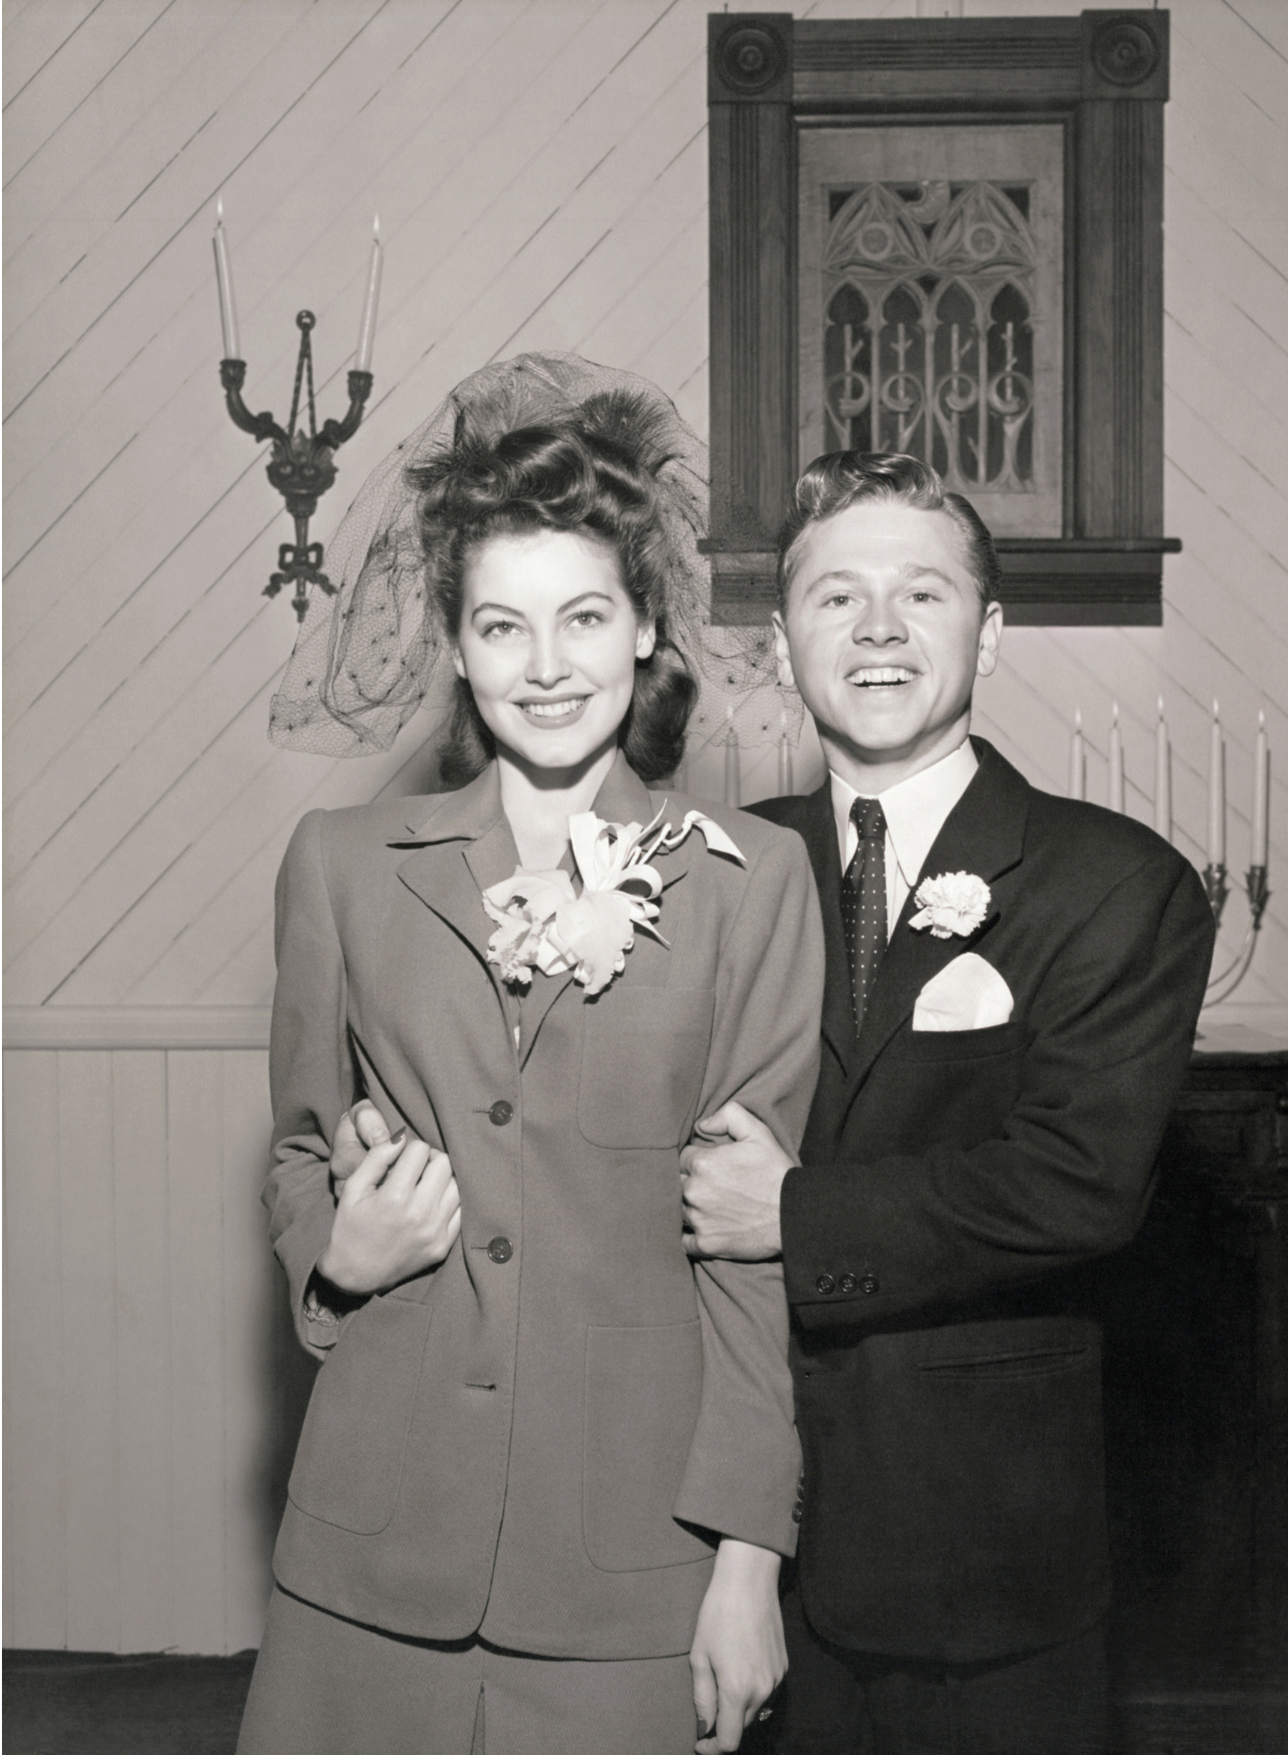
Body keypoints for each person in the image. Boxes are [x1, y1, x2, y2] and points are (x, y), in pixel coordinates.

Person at [235, 387, 826, 1755]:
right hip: (370, 1552)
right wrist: (337, 1257)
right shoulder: (340, 866)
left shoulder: (752, 883)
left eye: (585, 617)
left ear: (647, 627)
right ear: (455, 644)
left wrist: (748, 1560)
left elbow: (750, 1253)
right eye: (503, 625)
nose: (547, 666)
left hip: (630, 1562)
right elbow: (300, 1152)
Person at [678, 451, 1220, 1753]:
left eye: (921, 594)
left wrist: (790, 1215)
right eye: (836, 596)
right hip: (709, 1525)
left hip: (984, 1555)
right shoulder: (707, 871)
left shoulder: (1116, 883)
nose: (877, 628)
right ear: (781, 642)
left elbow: (1077, 1184)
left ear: (991, 630)